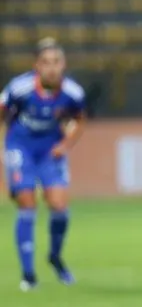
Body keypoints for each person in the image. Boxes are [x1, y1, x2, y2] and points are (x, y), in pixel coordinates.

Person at [1, 38, 87, 291]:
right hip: (21, 147)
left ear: (64, 65)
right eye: (46, 63)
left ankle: (55, 256)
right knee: (27, 203)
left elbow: (80, 120)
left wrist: (66, 144)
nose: (51, 68)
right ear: (36, 65)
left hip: (51, 149)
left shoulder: (73, 93)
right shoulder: (19, 88)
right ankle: (28, 274)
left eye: (56, 62)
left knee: (59, 205)